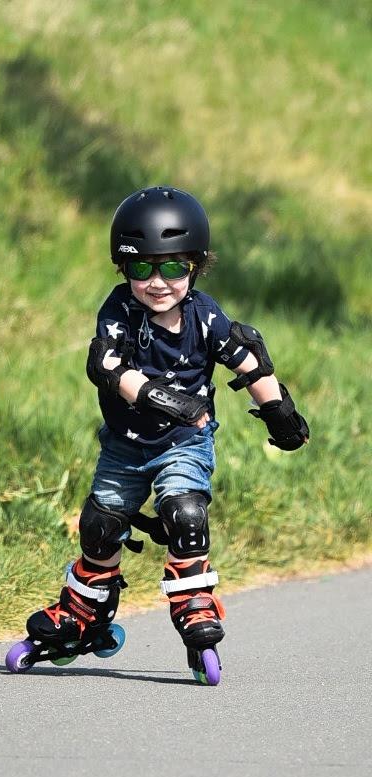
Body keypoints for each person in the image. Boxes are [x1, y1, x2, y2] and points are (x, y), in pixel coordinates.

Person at [24, 186, 309, 681]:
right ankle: (85, 608)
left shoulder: (205, 315)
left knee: (186, 512)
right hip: (125, 446)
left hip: (184, 444)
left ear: (195, 267)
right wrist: (168, 400)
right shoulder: (119, 311)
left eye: (173, 267)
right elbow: (108, 367)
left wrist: (278, 411)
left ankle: (194, 603)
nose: (157, 282)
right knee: (99, 525)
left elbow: (246, 359)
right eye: (142, 268)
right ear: (124, 268)